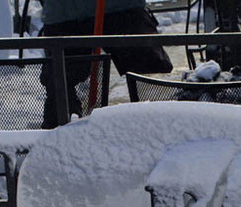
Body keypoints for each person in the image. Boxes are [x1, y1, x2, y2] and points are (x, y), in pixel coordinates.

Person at [39, 0, 173, 128]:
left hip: (121, 10)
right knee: (60, 82)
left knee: (152, 74)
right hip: (67, 15)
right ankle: (61, 138)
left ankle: (162, 126)